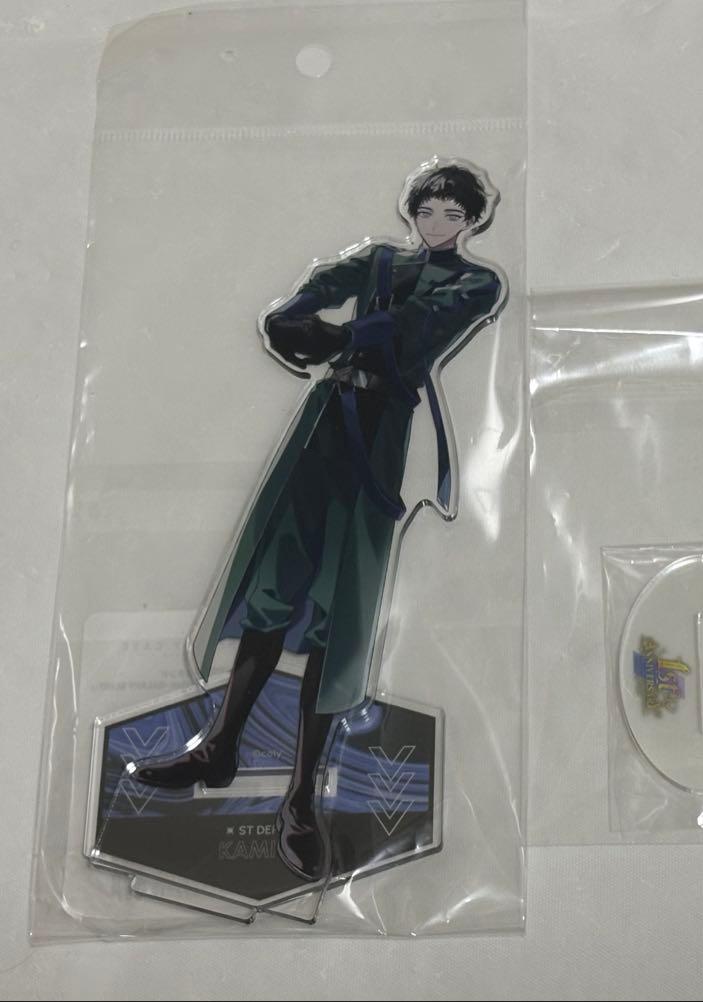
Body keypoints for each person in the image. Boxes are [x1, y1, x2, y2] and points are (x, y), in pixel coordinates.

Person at [133, 161, 504, 880]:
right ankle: (219, 748)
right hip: (324, 426)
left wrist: (337, 338)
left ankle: (301, 799)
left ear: (471, 221)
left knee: (341, 608)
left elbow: (413, 329)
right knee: (275, 581)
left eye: (452, 214)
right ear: (414, 210)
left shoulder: (476, 283)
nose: (436, 224)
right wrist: (293, 319)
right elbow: (321, 287)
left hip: (380, 442)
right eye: (427, 210)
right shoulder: (381, 260)